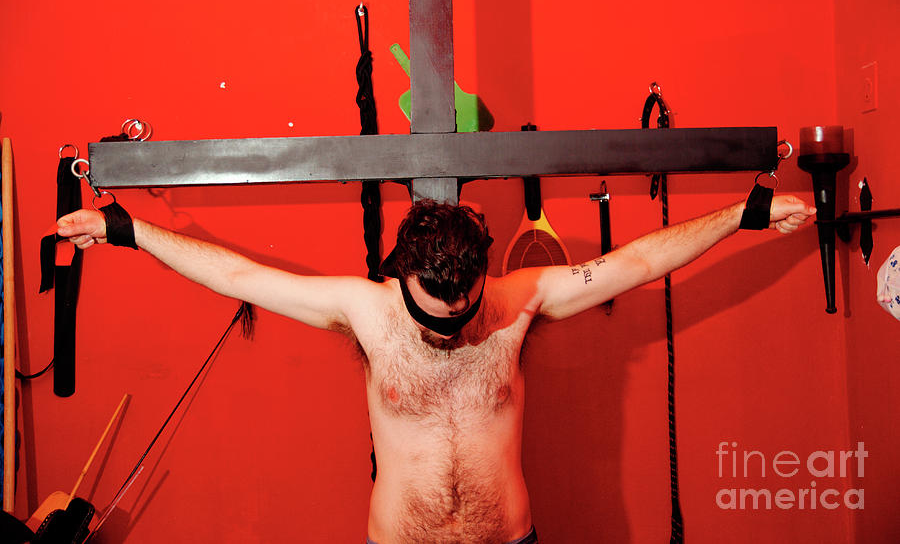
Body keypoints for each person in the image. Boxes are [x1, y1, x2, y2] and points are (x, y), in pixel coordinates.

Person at [57, 194, 815, 544]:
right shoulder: (365, 309)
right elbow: (237, 276)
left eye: (462, 309)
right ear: (404, 277)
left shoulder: (521, 299)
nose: (451, 326)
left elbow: (639, 260)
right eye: (433, 313)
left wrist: (745, 215)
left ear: (480, 275)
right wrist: (125, 228)